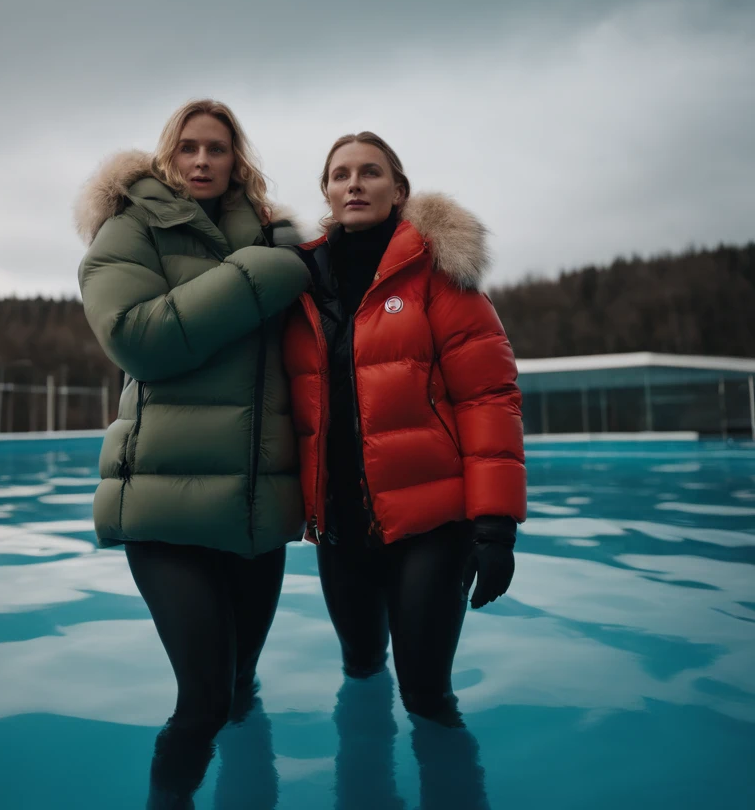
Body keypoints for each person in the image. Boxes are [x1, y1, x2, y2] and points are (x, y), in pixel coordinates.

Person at [75, 99, 310, 804]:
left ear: (238, 159)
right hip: (161, 504)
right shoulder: (130, 227)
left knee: (241, 691)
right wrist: (267, 272)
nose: (203, 161)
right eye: (188, 149)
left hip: (252, 509)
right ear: (166, 157)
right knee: (203, 703)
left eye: (217, 149)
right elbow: (139, 338)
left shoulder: (273, 236)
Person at [284, 131, 526, 726]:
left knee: (425, 693)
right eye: (341, 175)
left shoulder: (437, 273)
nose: (355, 184)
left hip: (431, 525)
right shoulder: (299, 281)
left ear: (398, 189)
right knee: (361, 669)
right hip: (340, 526)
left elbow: (489, 397)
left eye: (370, 172)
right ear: (327, 191)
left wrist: (495, 526)